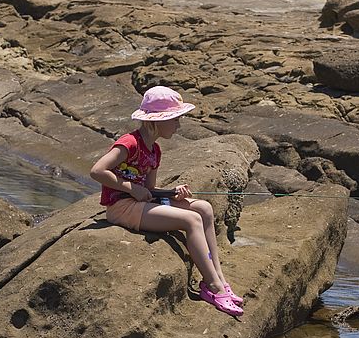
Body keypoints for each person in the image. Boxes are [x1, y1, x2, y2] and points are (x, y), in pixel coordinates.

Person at [90, 86, 244, 317]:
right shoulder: (129, 143)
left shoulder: (155, 150)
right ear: (156, 121)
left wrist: (172, 193)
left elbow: (150, 189)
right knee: (191, 220)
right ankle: (212, 287)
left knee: (203, 208)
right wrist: (129, 187)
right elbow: (97, 171)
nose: (179, 125)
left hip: (139, 203)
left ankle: (219, 277)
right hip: (120, 207)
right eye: (175, 119)